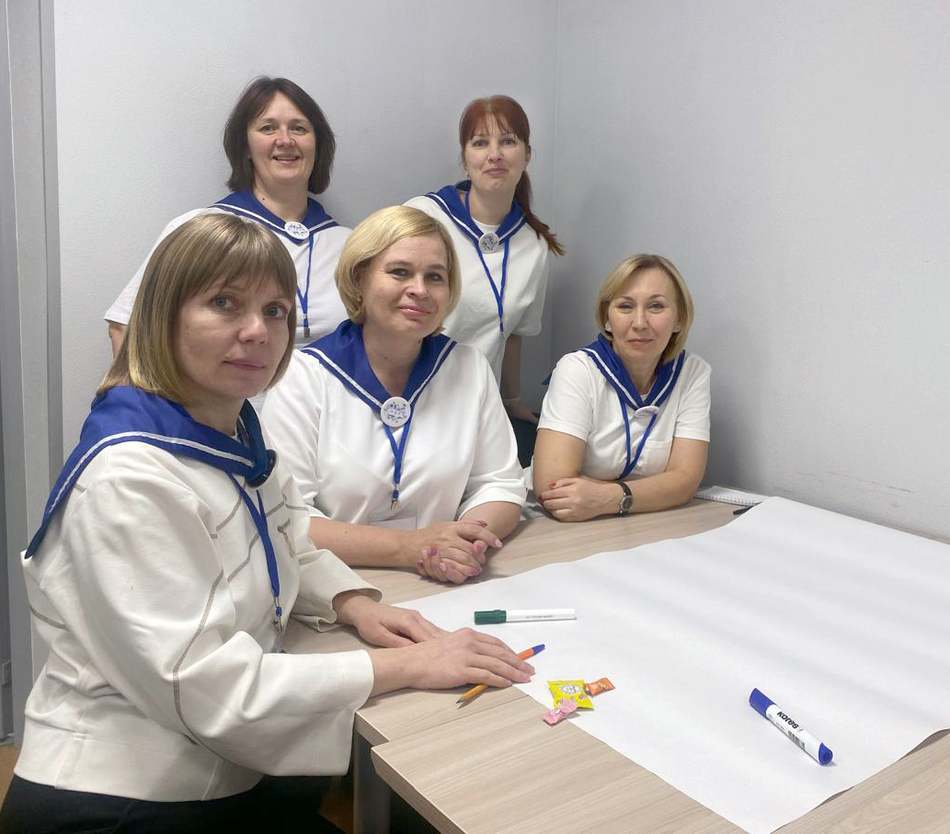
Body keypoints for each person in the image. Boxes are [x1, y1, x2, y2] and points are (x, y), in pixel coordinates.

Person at [0, 214, 534, 833]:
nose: (257, 331)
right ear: (161, 315)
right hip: (122, 797)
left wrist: (353, 603)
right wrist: (411, 666)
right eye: (224, 303)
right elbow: (212, 691)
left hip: (217, 764)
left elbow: (287, 538)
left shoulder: (228, 430)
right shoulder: (130, 479)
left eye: (275, 310)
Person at [262, 206, 526, 586]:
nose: (420, 289)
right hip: (339, 584)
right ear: (359, 278)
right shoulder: (301, 375)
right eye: (400, 272)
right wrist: (410, 548)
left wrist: (462, 544)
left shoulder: (468, 367)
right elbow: (288, 517)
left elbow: (500, 483)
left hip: (445, 577)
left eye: (435, 277)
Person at [104, 76, 349, 355]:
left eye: (299, 128)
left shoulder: (350, 245)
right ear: (245, 146)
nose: (285, 140)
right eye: (268, 128)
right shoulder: (198, 230)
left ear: (317, 144)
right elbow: (125, 327)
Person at [405, 95, 563, 463]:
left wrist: (511, 401)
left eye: (507, 141)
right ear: (465, 158)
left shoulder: (534, 244)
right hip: (408, 399)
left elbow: (513, 334)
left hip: (476, 410)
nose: (494, 155)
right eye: (480, 143)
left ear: (527, 155)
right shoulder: (423, 217)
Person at [532, 254, 710, 521]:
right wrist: (660, 489)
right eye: (625, 306)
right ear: (607, 318)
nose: (639, 323)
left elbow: (686, 481)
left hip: (646, 522)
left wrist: (608, 497)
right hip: (567, 527)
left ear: (679, 319)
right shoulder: (577, 369)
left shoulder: (692, 373)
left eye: (656, 306)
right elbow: (553, 488)